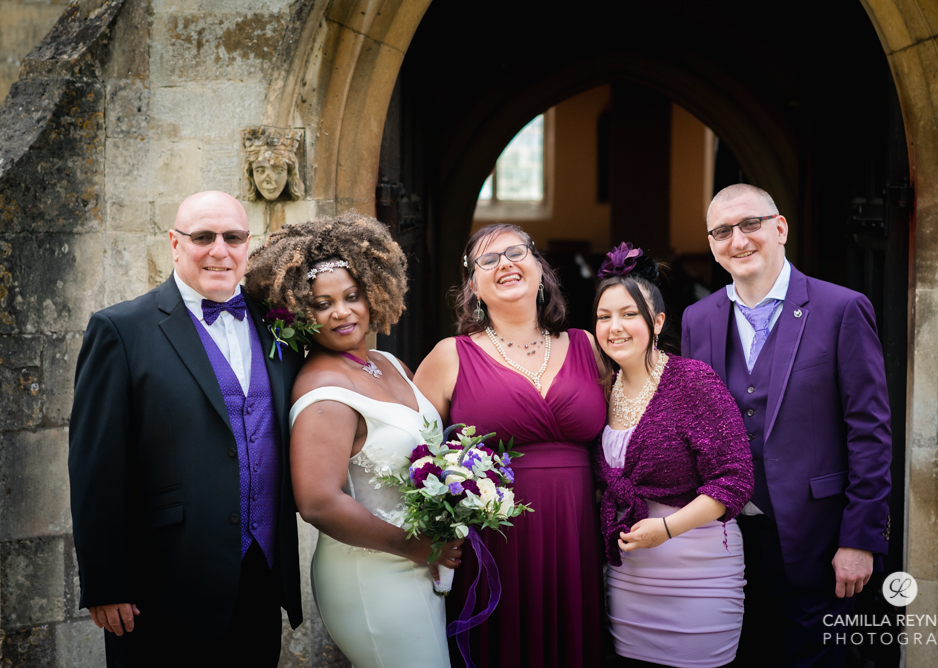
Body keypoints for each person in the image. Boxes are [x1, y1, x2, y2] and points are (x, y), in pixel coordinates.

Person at [68, 191, 303, 667]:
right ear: (175, 244)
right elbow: (96, 465)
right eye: (203, 237)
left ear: (248, 245)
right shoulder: (121, 328)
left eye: (232, 237)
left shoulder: (279, 324)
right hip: (161, 583)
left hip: (260, 577)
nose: (219, 250)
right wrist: (106, 581)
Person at [681, 184, 892, 667]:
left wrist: (860, 539)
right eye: (722, 231)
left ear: (779, 228)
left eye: (750, 224)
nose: (738, 240)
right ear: (713, 246)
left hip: (819, 546)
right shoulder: (698, 319)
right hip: (725, 546)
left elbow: (870, 434)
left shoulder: (842, 309)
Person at [243, 213, 462, 668]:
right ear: (302, 311)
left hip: (419, 563)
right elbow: (318, 502)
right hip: (372, 574)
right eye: (323, 304)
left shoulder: (390, 363)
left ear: (373, 293)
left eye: (352, 296)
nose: (342, 312)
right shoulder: (322, 390)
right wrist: (412, 545)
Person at [414, 223, 607, 668]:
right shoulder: (450, 355)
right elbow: (414, 450)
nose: (505, 264)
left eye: (516, 252)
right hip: (495, 542)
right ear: (473, 288)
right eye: (488, 259)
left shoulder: (588, 346)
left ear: (540, 270)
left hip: (576, 532)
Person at [593, 243, 754, 668]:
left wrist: (665, 529)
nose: (616, 327)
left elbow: (733, 479)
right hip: (629, 580)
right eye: (604, 316)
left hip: (699, 577)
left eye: (630, 314)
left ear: (658, 321)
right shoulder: (601, 390)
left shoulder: (692, 381)